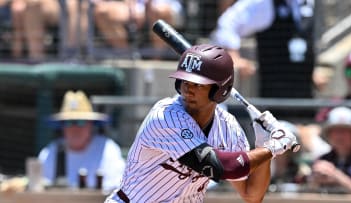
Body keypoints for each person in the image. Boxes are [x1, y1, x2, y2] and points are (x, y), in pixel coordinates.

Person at [104, 44, 299, 202]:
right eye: (185, 82)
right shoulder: (166, 116)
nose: (188, 90)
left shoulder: (228, 128)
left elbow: (252, 194)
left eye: (198, 84)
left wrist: (262, 147)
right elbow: (217, 166)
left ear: (220, 90)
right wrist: (273, 148)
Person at [210, 0, 316, 98]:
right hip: (275, 92)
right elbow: (227, 23)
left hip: (306, 89)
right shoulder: (263, 3)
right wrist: (234, 56)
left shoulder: (308, 3)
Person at [38, 90, 126, 193]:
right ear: (62, 127)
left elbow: (118, 190)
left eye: (81, 122)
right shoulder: (50, 152)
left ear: (90, 125)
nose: (75, 128)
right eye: (69, 123)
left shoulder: (108, 149)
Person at [93, 0, 184, 57]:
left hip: (168, 5)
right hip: (138, 7)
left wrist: (148, 6)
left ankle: (155, 61)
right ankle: (128, 58)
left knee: (158, 11)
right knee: (102, 12)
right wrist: (132, 8)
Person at [10, 0, 88, 61]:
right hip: (46, 4)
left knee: (75, 4)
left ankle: (71, 56)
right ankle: (36, 59)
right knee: (33, 5)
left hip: (69, 5)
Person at [310, 106, 351, 193]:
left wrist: (337, 176)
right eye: (335, 131)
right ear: (328, 134)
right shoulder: (323, 159)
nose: (339, 136)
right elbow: (309, 193)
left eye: (344, 131)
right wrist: (315, 181)